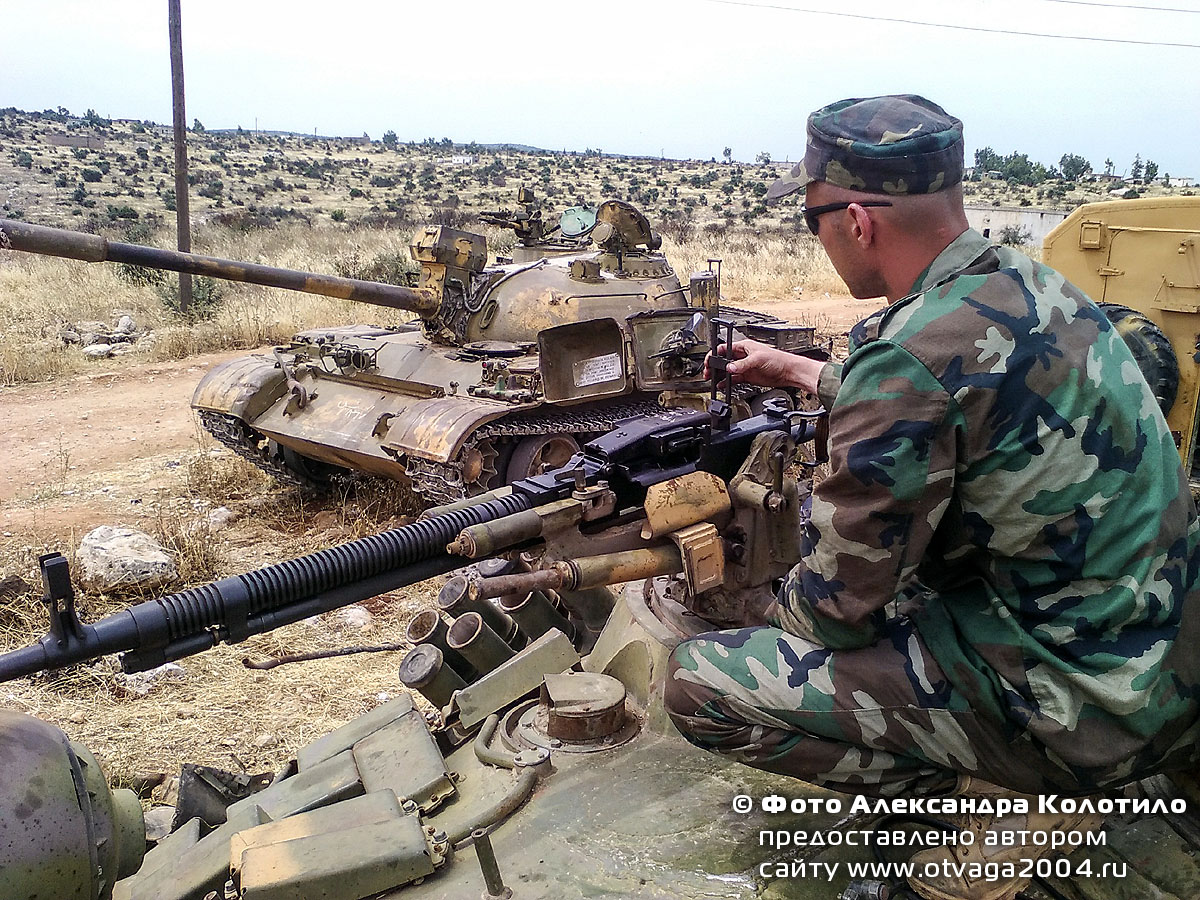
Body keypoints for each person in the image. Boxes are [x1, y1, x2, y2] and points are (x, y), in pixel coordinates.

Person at [663, 94, 1200, 900]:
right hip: (1162, 661)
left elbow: (834, 615)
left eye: (812, 220)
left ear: (858, 222)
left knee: (700, 683)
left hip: (1083, 711)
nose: (816, 239)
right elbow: (966, 383)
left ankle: (1003, 800)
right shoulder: (1028, 284)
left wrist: (764, 588)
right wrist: (803, 371)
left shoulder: (905, 364)